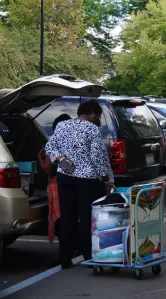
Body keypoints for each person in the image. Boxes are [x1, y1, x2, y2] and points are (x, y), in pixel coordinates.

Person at [45, 99, 115, 269]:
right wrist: (106, 180)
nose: (99, 120)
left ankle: (65, 259)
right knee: (86, 218)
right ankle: (89, 257)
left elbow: (50, 147)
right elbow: (97, 158)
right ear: (91, 114)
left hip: (65, 177)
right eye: (98, 116)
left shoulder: (62, 126)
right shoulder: (92, 129)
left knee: (67, 217)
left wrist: (63, 162)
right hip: (87, 179)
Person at [37, 114, 72, 244]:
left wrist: (40, 156)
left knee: (60, 219)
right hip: (79, 183)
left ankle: (65, 252)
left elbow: (48, 169)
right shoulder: (78, 140)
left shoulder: (54, 143)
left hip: (59, 184)